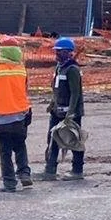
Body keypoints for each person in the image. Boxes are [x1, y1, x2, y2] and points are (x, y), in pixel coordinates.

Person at [0, 45, 34, 192]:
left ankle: (10, 183)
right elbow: (25, 90)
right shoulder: (22, 69)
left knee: (5, 152)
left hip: (1, 118)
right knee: (20, 146)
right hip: (21, 116)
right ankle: (24, 173)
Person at [38, 37, 84, 181]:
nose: (56, 54)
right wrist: (53, 102)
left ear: (68, 53)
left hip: (70, 113)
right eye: (56, 51)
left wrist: (70, 113)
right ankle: (50, 170)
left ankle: (77, 170)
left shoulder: (72, 69)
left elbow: (75, 93)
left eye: (59, 51)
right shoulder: (60, 68)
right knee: (53, 139)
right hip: (57, 111)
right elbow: (57, 88)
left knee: (74, 141)